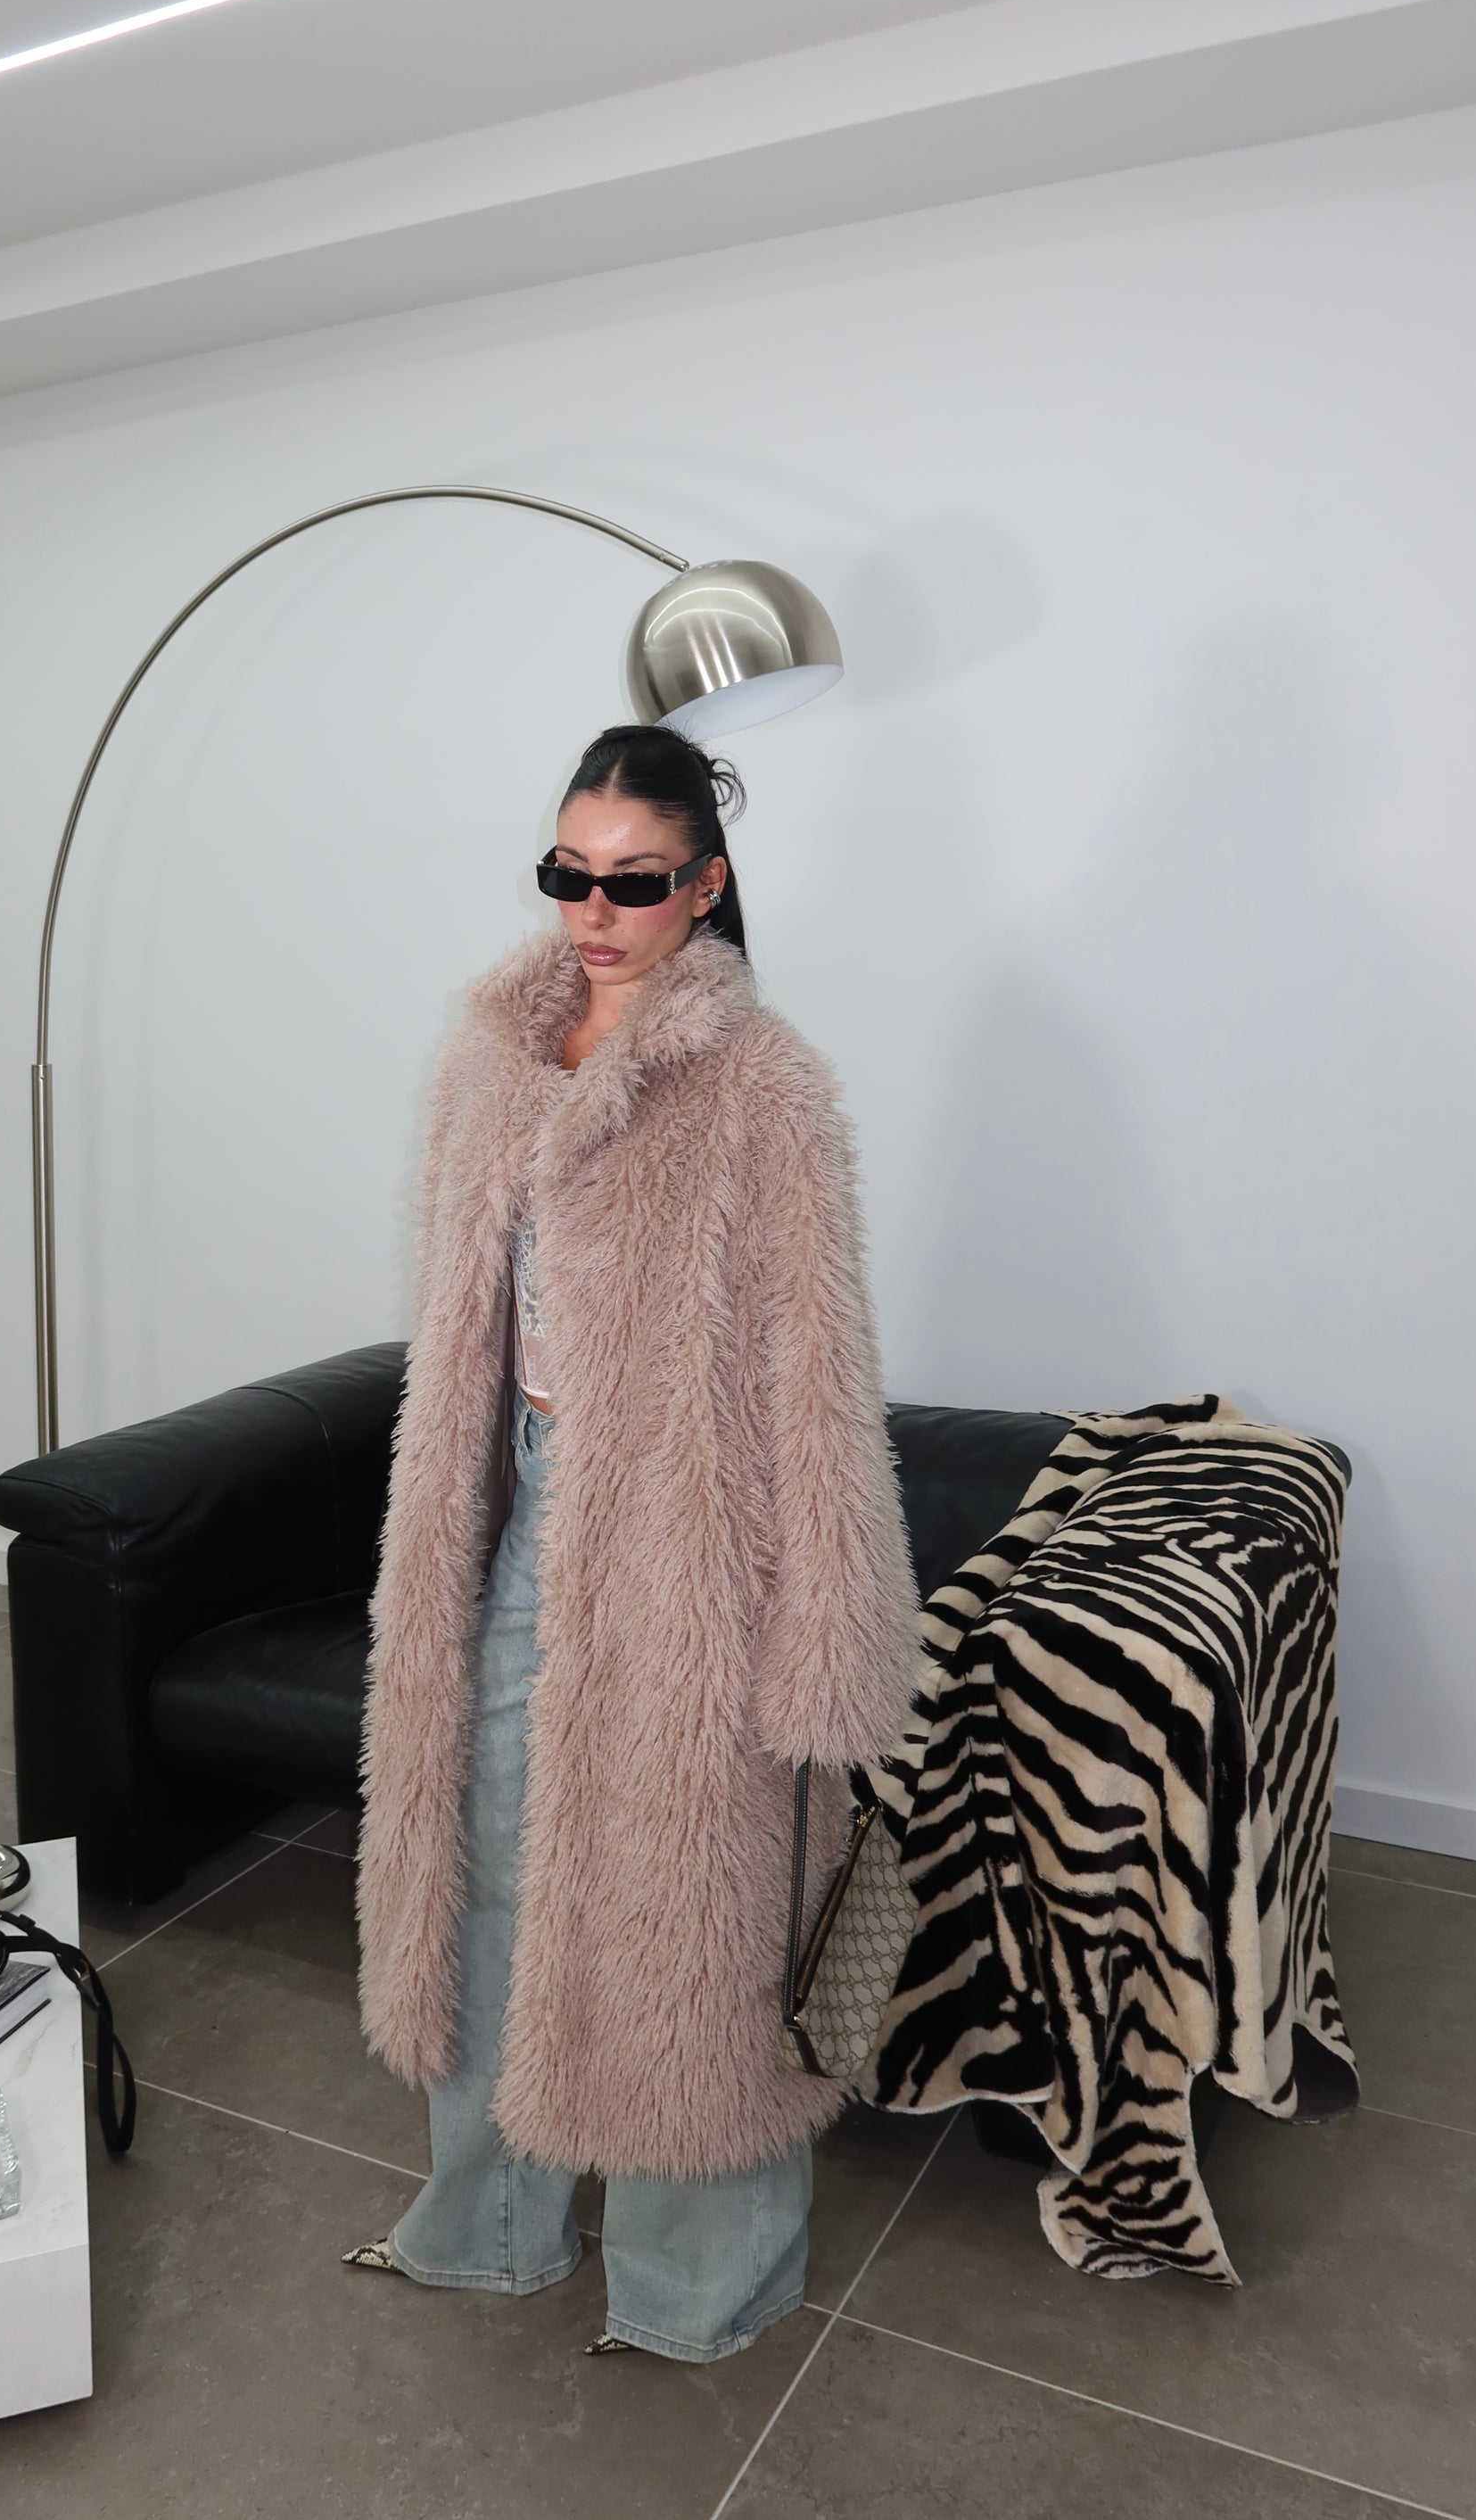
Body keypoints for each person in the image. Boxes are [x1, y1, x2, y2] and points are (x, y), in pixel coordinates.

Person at [348, 722, 919, 2362]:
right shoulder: (487, 1061)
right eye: (567, 873)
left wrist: (824, 1636)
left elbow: (821, 1372)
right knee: (479, 1876)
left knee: (694, 1915)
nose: (593, 910)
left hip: (690, 1537)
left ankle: (695, 2289)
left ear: (706, 885)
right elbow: (456, 1334)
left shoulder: (761, 1086)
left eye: (634, 881)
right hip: (509, 1508)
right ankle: (489, 2232)